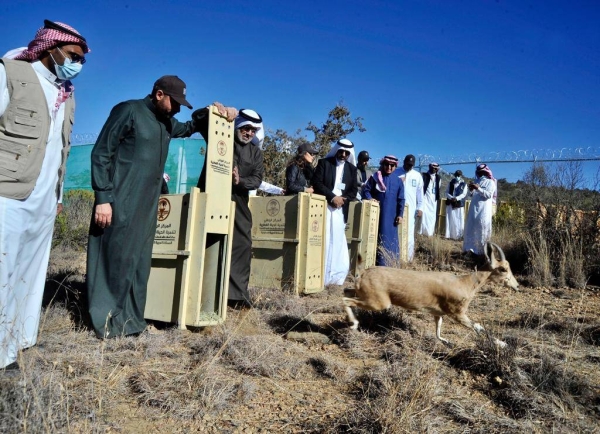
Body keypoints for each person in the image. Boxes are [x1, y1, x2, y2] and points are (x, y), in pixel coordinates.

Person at [86, 76, 210, 338]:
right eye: (174, 102)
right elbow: (101, 153)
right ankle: (107, 323)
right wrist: (103, 197)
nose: (177, 108)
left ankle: (131, 322)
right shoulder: (129, 110)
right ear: (159, 94)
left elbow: (188, 128)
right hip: (120, 201)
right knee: (116, 261)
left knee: (139, 263)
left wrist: (212, 112)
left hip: (147, 206)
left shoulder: (166, 123)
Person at [0, 20, 90, 369]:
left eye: (83, 60)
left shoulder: (66, 95)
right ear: (51, 48)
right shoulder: (12, 73)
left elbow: (61, 151)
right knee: (4, 268)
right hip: (8, 190)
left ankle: (20, 342)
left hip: (44, 198)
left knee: (32, 272)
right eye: (73, 56)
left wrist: (59, 195)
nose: (78, 64)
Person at [196, 108, 264, 308]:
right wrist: (215, 109)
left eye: (253, 130)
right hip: (211, 194)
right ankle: (202, 292)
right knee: (207, 240)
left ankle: (235, 296)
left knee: (242, 244)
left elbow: (257, 179)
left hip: (238, 200)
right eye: (246, 128)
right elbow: (198, 119)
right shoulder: (220, 135)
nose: (249, 133)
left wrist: (239, 180)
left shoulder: (256, 152)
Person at [312, 138, 358, 285]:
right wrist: (332, 197)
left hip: (340, 210)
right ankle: (320, 275)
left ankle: (336, 278)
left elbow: (353, 191)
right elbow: (317, 183)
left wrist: (342, 199)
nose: (343, 154)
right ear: (336, 150)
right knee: (323, 240)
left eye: (346, 152)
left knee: (337, 241)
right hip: (324, 206)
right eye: (341, 151)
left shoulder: (352, 169)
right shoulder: (324, 163)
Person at [363, 156, 405, 266]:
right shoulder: (375, 177)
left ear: (395, 166)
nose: (389, 167)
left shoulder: (398, 181)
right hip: (377, 215)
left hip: (392, 216)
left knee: (390, 239)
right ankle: (377, 264)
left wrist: (400, 215)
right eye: (387, 164)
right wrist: (370, 198)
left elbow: (401, 199)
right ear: (383, 164)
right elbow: (366, 190)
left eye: (392, 165)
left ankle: (391, 264)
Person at [393, 154, 423, 261]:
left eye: (411, 165)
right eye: (407, 164)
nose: (408, 166)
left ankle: (408, 257)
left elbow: (420, 194)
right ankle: (395, 255)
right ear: (403, 162)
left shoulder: (417, 175)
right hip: (396, 206)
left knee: (409, 231)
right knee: (396, 229)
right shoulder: (396, 172)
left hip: (411, 208)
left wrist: (420, 207)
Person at [463, 163, 496, 255]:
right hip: (474, 209)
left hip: (483, 210)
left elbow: (488, 195)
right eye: (478, 172)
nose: (479, 174)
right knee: (471, 228)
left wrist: (479, 188)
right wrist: (472, 189)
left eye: (481, 172)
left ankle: (481, 252)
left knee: (482, 229)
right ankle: (469, 250)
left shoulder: (490, 182)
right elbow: (472, 195)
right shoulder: (476, 181)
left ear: (485, 172)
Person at [445, 170, 467, 240]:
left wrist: (456, 198)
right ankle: (449, 235)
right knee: (450, 219)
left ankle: (458, 236)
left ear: (461, 176)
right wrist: (451, 198)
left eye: (459, 175)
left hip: (459, 204)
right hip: (450, 203)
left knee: (458, 219)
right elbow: (446, 192)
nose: (458, 176)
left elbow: (464, 194)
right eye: (456, 175)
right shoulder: (451, 183)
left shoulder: (464, 184)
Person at [420, 162, 440, 236]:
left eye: (436, 168)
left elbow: (438, 187)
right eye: (433, 167)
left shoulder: (438, 178)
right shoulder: (424, 176)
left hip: (433, 200)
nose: (434, 169)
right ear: (429, 167)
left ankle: (430, 233)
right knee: (424, 216)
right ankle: (422, 232)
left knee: (432, 216)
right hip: (425, 199)